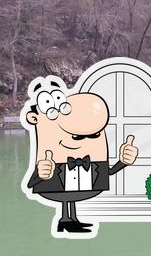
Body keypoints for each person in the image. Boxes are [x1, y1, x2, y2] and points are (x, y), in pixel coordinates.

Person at [23, 77, 139, 234]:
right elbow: (31, 183)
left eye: (94, 135)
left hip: (82, 183)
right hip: (56, 182)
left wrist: (124, 161)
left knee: (70, 197)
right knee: (65, 196)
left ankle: (71, 220)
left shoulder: (93, 162)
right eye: (77, 136)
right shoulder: (50, 158)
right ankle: (65, 220)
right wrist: (41, 174)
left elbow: (108, 172)